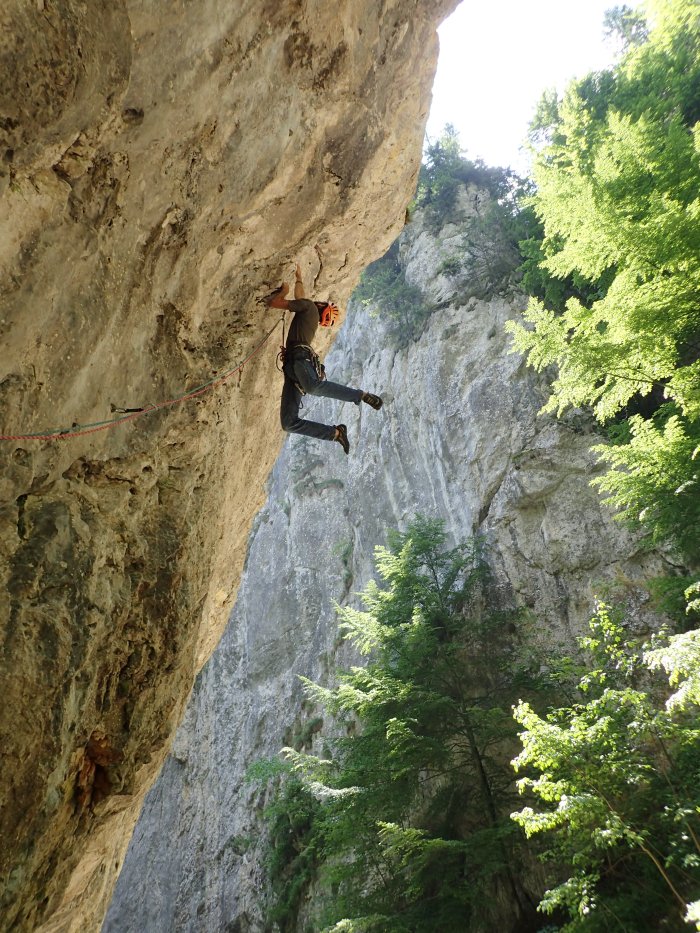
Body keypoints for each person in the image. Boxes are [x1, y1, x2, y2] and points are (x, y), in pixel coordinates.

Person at [264, 265, 383, 454]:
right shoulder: (307, 310)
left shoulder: (309, 307)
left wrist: (285, 290)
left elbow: (276, 302)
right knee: (288, 423)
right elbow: (300, 298)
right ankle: (336, 433)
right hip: (295, 367)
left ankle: (359, 396)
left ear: (320, 306)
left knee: (312, 387)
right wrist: (299, 278)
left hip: (299, 362)